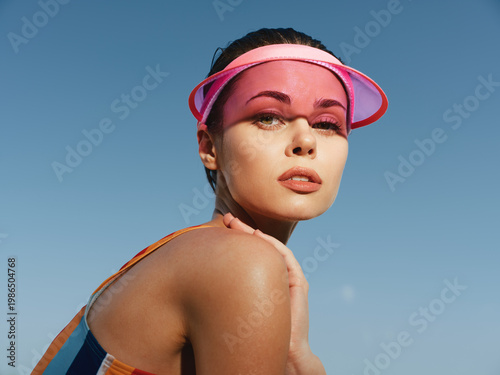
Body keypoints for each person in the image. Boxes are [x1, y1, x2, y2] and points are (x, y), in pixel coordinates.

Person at [33, 27, 388, 374]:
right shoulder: (242, 262)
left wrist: (297, 359)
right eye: (268, 117)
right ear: (209, 147)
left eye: (327, 123)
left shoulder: (186, 253)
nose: (305, 141)